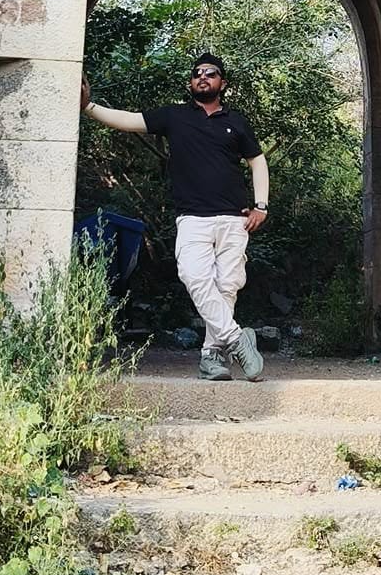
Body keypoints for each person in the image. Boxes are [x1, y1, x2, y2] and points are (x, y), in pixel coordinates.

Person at [80, 54, 268, 382]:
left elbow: (257, 160)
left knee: (227, 286)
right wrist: (88, 107)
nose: (203, 77)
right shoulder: (175, 116)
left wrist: (261, 206)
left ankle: (211, 357)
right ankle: (238, 339)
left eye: (211, 73)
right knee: (195, 276)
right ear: (190, 83)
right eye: (197, 74)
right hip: (193, 219)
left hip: (233, 219)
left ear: (222, 83)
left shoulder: (236, 121)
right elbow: (129, 120)